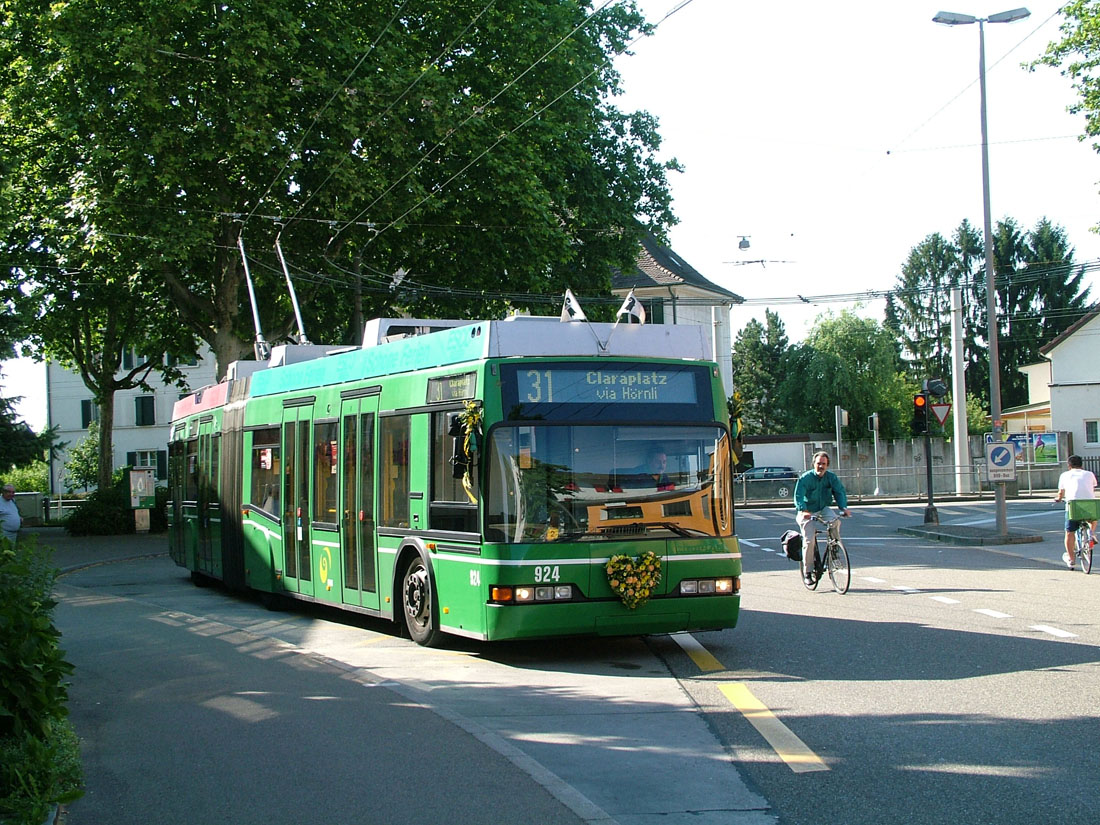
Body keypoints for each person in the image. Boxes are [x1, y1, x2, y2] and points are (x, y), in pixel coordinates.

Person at [794, 452, 849, 585]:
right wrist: (804, 510)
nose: (821, 466)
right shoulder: (806, 478)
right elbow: (799, 495)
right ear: (814, 464)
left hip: (823, 508)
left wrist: (843, 508)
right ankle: (808, 572)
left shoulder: (831, 477)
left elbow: (839, 492)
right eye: (818, 463)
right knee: (809, 540)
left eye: (824, 464)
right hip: (807, 510)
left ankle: (834, 550)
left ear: (827, 465)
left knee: (835, 521)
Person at [1053, 454, 1097, 570]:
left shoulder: (1065, 475)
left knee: (1069, 532)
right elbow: (1092, 487)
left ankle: (1072, 560)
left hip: (1073, 506)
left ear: (1069, 465)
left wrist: (1058, 498)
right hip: (1089, 506)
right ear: (1081, 465)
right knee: (1093, 519)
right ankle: (1091, 533)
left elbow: (1060, 493)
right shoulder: (1089, 474)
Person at [1, 482, 22, 547]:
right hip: (3, 534)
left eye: (13, 492)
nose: (11, 494)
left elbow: (12, 512)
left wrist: (19, 518)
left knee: (10, 553)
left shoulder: (12, 500)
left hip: (13, 534)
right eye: (9, 492)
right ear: (3, 492)